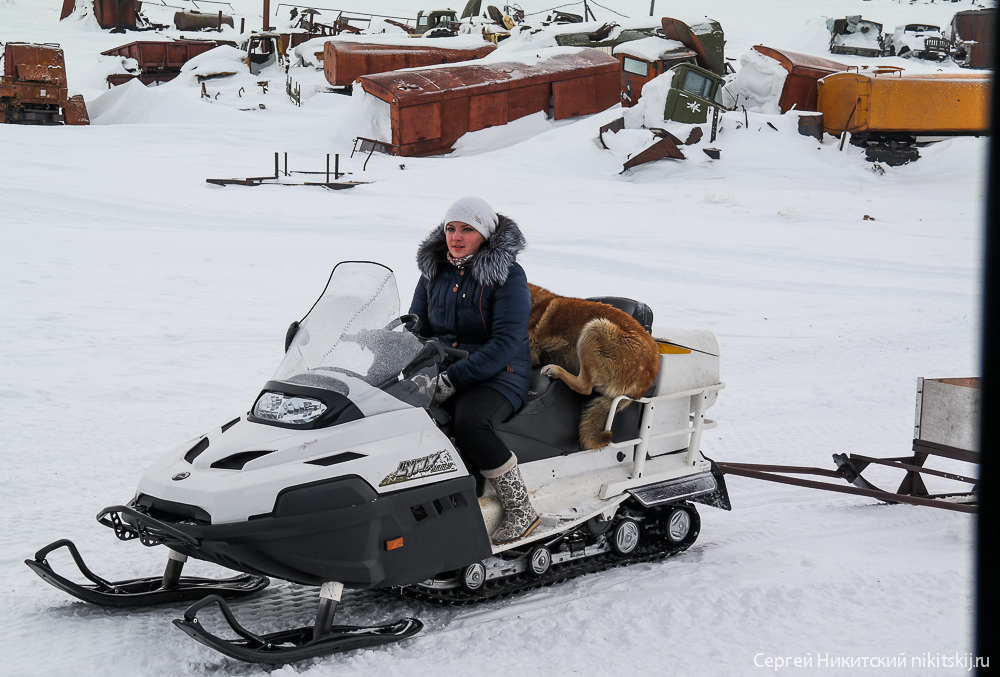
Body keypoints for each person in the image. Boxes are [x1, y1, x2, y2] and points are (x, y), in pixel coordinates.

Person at [408, 196, 540, 545]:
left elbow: (506, 342)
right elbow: (417, 328)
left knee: (469, 423)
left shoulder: (507, 274)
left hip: (501, 372)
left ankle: (521, 509)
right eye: (451, 228)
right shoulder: (434, 270)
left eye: (467, 229)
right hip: (444, 368)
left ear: (485, 234)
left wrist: (454, 379)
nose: (456, 236)